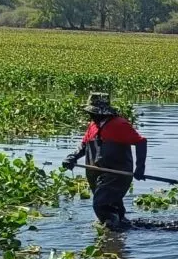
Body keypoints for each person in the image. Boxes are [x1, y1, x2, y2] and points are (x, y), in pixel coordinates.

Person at [62, 93, 147, 230]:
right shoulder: (93, 125)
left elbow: (140, 142)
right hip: (97, 174)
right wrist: (72, 157)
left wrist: (140, 167)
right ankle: (120, 233)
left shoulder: (119, 124)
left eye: (93, 112)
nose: (90, 115)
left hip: (116, 174)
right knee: (113, 206)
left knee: (101, 205)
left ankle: (111, 233)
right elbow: (84, 145)